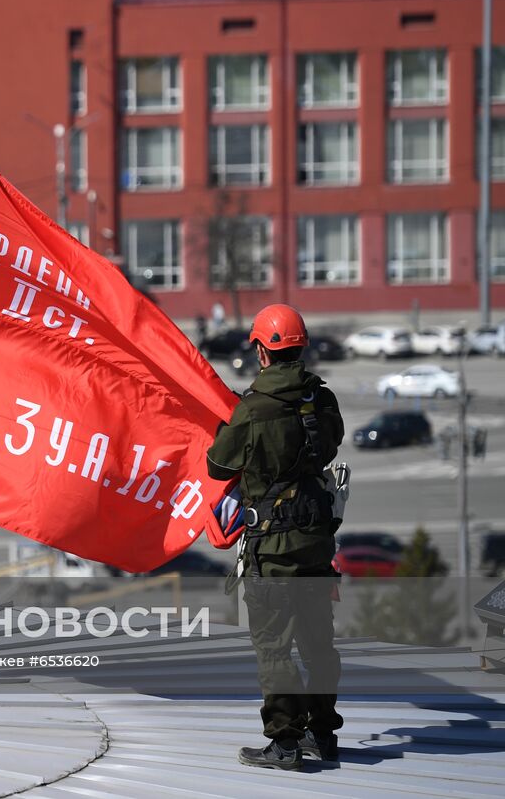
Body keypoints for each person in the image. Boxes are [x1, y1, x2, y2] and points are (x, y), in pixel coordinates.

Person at [207, 304, 344, 771]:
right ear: (300, 348)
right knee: (318, 642)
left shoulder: (251, 410)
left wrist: (229, 426)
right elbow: (332, 442)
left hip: (273, 548)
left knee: (274, 646)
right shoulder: (322, 401)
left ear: (262, 351)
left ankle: (286, 742)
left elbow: (218, 466)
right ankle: (323, 733)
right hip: (317, 543)